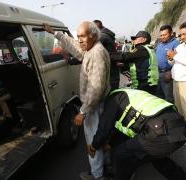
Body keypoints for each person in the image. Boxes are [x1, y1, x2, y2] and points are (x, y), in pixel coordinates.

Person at [43, 21, 110, 180]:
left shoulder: (97, 54)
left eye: (82, 36)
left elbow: (96, 88)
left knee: (93, 140)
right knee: (100, 136)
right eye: (78, 36)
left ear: (93, 35)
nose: (79, 40)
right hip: (94, 104)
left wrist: (83, 111)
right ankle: (105, 165)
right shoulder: (91, 48)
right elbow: (77, 48)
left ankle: (97, 175)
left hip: (93, 105)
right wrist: (56, 33)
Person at [87, 88, 186, 180]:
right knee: (157, 158)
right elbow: (127, 130)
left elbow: (104, 127)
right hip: (180, 126)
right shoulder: (129, 94)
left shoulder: (113, 100)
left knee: (121, 154)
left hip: (160, 130)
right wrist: (111, 143)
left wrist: (94, 146)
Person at [156, 25, 180, 102]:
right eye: (161, 35)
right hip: (158, 73)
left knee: (169, 98)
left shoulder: (176, 44)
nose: (162, 37)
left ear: (171, 33)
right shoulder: (160, 44)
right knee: (159, 96)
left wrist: (171, 72)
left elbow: (179, 60)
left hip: (167, 74)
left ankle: (171, 113)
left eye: (165, 35)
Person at [94, 20, 120, 91]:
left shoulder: (102, 36)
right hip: (112, 72)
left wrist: (71, 60)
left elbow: (90, 52)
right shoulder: (107, 35)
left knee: (108, 98)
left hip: (109, 74)